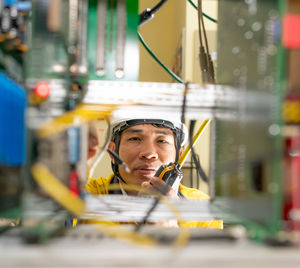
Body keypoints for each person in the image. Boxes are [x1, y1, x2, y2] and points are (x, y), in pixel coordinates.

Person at [86, 116, 222, 229]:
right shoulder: (84, 195)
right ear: (113, 151)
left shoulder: (203, 208)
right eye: (135, 139)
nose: (149, 153)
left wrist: (169, 227)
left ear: (179, 156)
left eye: (162, 141)